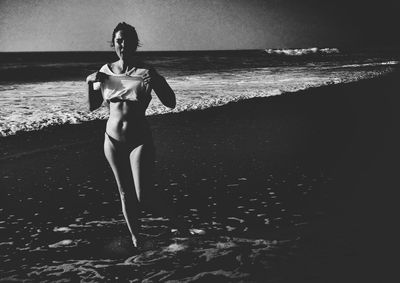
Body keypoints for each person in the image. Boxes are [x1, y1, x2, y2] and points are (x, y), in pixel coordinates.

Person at [86, 22, 187, 248]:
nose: (123, 44)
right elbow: (93, 106)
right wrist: (90, 82)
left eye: (127, 40)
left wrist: (159, 82)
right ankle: (137, 239)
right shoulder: (104, 71)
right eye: (119, 40)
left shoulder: (146, 73)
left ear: (135, 44)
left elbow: (170, 103)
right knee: (124, 193)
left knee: (143, 196)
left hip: (138, 140)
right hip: (111, 140)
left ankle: (177, 221)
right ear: (113, 43)